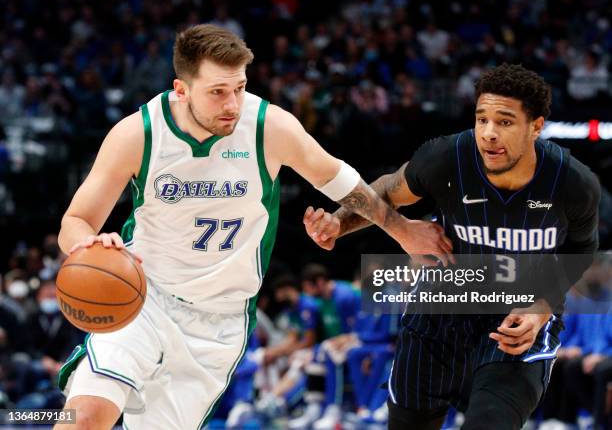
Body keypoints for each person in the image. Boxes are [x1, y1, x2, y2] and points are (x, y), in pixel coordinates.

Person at [53, 24, 452, 430]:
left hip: (218, 320)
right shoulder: (138, 133)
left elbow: (340, 179)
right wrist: (89, 244)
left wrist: (402, 230)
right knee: (83, 419)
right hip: (143, 298)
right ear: (182, 89)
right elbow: (75, 221)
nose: (232, 104)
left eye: (239, 88)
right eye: (217, 92)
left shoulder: (268, 126)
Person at [303, 63, 601, 430]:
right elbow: (387, 190)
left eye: (505, 122)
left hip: (516, 319)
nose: (489, 133)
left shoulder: (573, 183)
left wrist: (541, 308)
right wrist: (339, 222)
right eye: (482, 119)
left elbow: (581, 251)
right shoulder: (446, 158)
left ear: (536, 127)